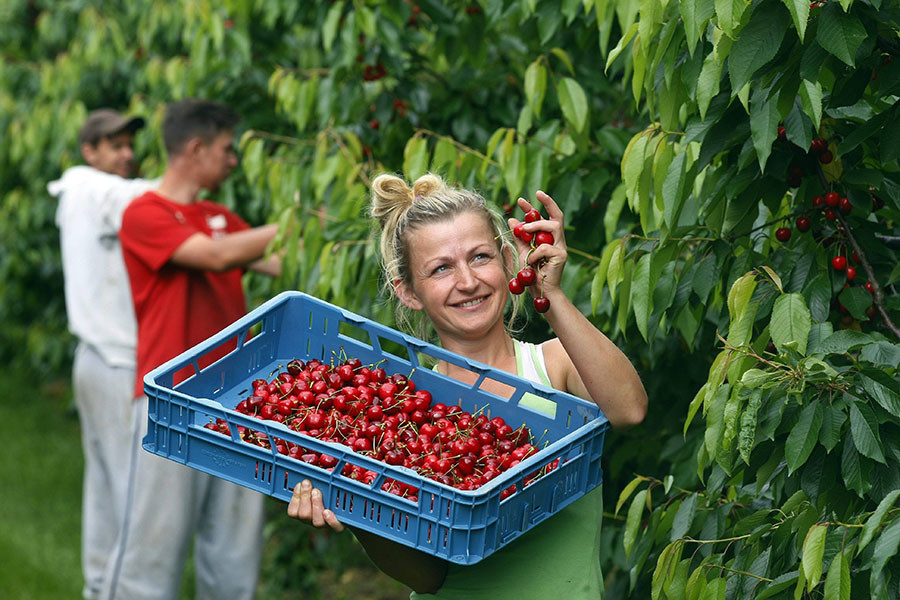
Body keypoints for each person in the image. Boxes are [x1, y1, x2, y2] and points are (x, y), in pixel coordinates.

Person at [287, 173, 648, 598]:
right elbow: (428, 576)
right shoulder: (405, 409)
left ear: (509, 262)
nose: (467, 281)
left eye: (480, 257)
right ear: (409, 293)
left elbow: (629, 409)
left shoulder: (554, 366)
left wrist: (552, 297)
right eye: (441, 268)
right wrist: (355, 512)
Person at [100, 98, 281, 600]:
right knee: (150, 558)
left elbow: (280, 260)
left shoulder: (219, 215)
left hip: (240, 405)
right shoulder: (145, 213)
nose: (232, 160)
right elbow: (217, 257)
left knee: (234, 560)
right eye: (226, 149)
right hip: (171, 403)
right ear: (196, 148)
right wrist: (300, 221)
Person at [48, 108, 157, 600]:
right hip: (114, 362)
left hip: (100, 359)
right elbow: (158, 197)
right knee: (132, 494)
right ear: (89, 151)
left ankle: (99, 586)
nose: (127, 154)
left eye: (130, 144)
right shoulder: (87, 188)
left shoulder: (94, 194)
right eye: (114, 145)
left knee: (109, 489)